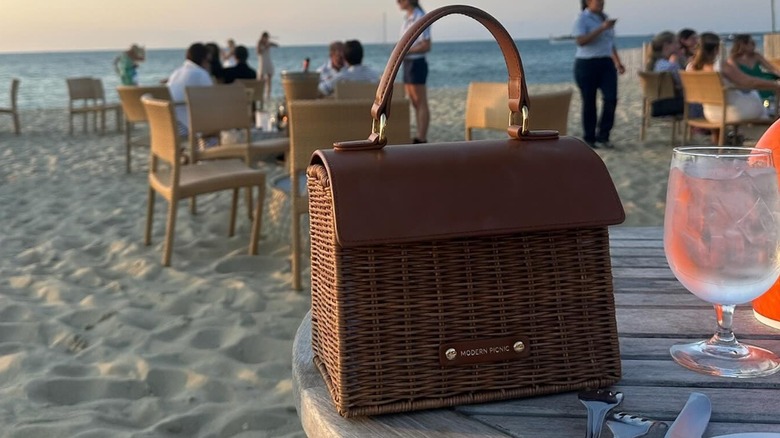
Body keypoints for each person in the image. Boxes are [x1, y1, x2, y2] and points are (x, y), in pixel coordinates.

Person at [686, 32, 780, 142]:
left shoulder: (691, 67)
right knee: (756, 96)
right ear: (717, 49)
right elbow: (748, 82)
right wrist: (775, 84)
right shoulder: (721, 66)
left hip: (710, 113)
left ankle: (723, 140)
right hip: (733, 112)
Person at [572, 0, 625, 149]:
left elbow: (609, 43)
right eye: (598, 1)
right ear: (588, 2)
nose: (601, 2)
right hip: (587, 63)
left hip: (606, 62)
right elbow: (580, 41)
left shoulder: (605, 17)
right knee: (589, 101)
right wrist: (602, 28)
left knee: (611, 98)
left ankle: (603, 135)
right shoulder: (582, 19)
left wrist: (618, 61)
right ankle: (589, 137)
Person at [398, 0, 431, 144]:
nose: (398, 2)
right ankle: (419, 135)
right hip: (408, 62)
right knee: (414, 101)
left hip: (416, 62)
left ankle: (421, 137)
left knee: (420, 100)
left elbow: (426, 45)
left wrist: (406, 51)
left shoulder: (420, 16)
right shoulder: (408, 18)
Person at [166, 42, 213, 137]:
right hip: (186, 127)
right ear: (204, 59)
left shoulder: (176, 72)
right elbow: (213, 101)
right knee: (218, 133)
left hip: (169, 124)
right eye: (209, 61)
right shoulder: (200, 74)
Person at [728, 34, 780, 102]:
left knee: (772, 80)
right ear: (743, 45)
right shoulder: (733, 60)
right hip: (748, 84)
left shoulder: (756, 56)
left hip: (761, 80)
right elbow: (735, 77)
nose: (755, 44)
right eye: (752, 43)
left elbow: (771, 68)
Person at [645, 31, 684, 117]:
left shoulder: (655, 62)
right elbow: (682, 83)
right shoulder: (669, 65)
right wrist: (676, 63)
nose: (679, 46)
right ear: (666, 45)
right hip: (670, 105)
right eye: (676, 43)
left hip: (657, 104)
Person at [256, 31, 279, 101]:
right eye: (266, 38)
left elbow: (276, 45)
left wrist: (271, 44)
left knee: (269, 77)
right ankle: (260, 94)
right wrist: (265, 47)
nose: (266, 39)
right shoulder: (259, 43)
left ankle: (268, 95)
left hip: (268, 61)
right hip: (263, 61)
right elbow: (258, 52)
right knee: (261, 78)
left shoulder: (268, 43)